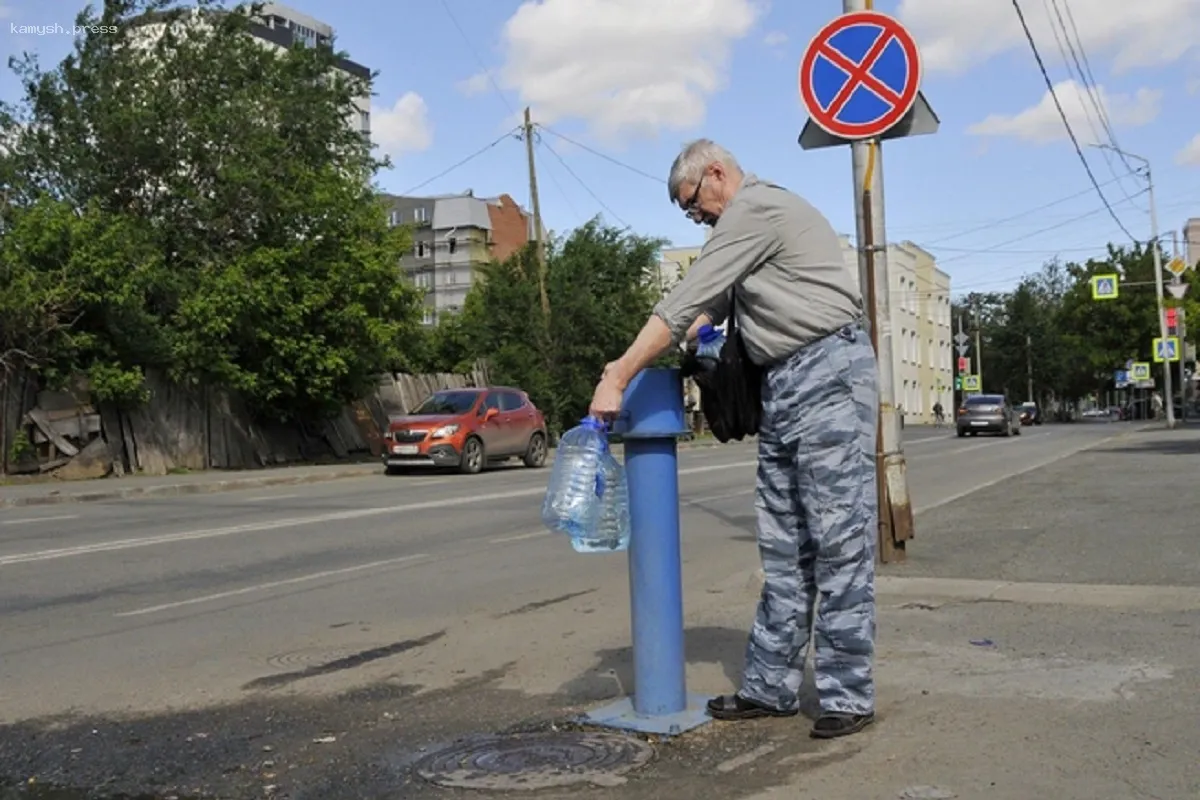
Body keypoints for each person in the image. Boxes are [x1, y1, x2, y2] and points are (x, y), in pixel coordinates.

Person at [588, 140, 879, 739]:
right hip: (785, 385)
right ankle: (769, 688)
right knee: (783, 543)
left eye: (694, 205)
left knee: (838, 540)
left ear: (716, 174)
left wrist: (620, 373)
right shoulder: (741, 234)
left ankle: (848, 695)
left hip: (829, 373)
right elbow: (703, 312)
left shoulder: (757, 209)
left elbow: (684, 300)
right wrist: (695, 346)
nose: (696, 218)